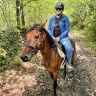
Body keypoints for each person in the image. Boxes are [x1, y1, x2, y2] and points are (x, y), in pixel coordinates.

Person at [48, 2, 74, 72]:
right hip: (53, 37)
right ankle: (47, 62)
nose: (58, 10)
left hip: (63, 38)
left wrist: (59, 37)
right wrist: (52, 37)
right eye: (57, 9)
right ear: (55, 9)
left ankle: (68, 64)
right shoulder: (51, 19)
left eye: (60, 9)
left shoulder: (65, 18)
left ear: (62, 10)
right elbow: (49, 29)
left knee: (69, 48)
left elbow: (67, 29)